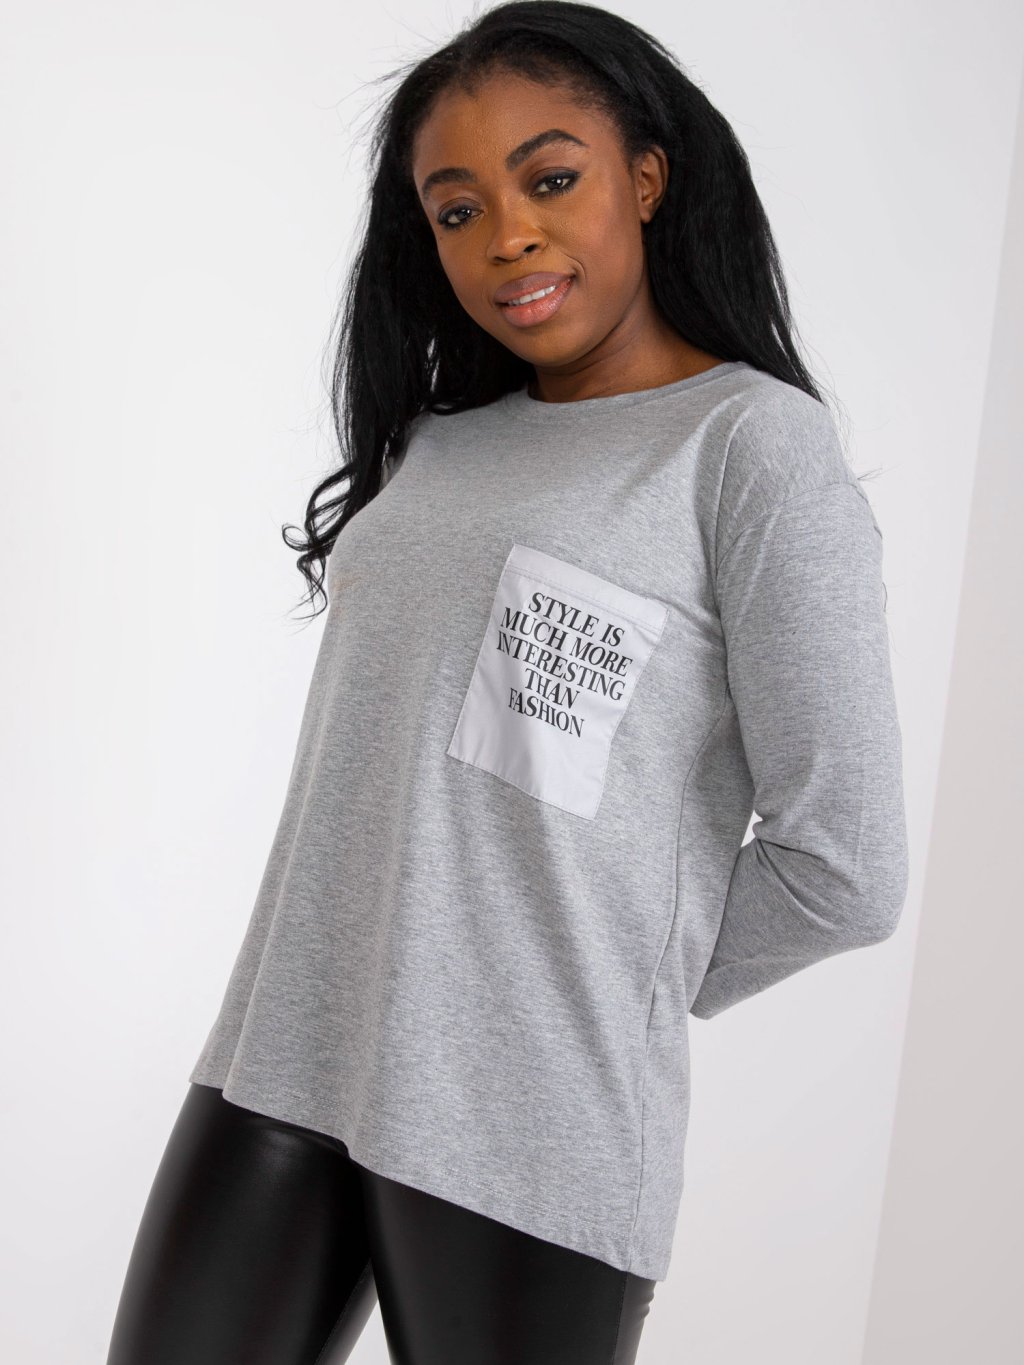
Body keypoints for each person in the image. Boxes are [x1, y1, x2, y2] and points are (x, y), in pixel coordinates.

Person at [105, 2, 910, 1361]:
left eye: (551, 179)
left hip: (527, 1109)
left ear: (645, 178)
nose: (508, 237)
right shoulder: (437, 443)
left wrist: (603, 981)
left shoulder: (749, 447)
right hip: (288, 1047)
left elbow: (848, 866)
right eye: (458, 209)